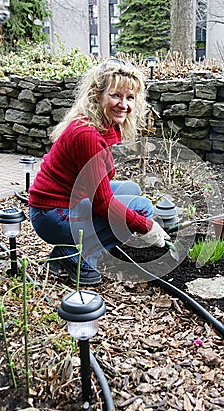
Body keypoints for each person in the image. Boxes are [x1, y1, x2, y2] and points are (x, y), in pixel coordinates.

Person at [28, 58, 169, 285]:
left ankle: (64, 253)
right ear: (97, 94)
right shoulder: (88, 135)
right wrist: (147, 227)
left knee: (131, 189)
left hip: (64, 202)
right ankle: (78, 259)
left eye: (130, 97)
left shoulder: (104, 125)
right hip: (52, 214)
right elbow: (102, 204)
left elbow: (99, 187)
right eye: (116, 95)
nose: (124, 104)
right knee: (142, 210)